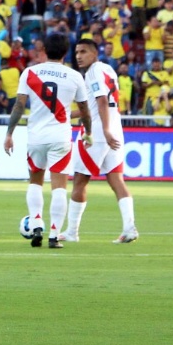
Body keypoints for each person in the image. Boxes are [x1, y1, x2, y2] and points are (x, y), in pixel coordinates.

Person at [4, 33, 93, 249]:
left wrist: (9, 133)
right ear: (66, 51)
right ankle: (54, 235)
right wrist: (88, 132)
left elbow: (18, 105)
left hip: (36, 137)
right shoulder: (74, 76)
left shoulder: (30, 72)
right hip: (60, 137)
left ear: (44, 49)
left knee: (35, 182)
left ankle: (36, 225)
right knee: (59, 187)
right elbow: (84, 111)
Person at [66, 38, 139, 244]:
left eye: (83, 51)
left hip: (97, 133)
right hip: (116, 129)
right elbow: (92, 106)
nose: (79, 56)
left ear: (94, 54)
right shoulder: (108, 69)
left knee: (80, 180)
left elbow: (102, 101)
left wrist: (104, 129)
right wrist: (65, 114)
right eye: (77, 52)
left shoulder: (93, 72)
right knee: (116, 180)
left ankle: (72, 231)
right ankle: (129, 227)